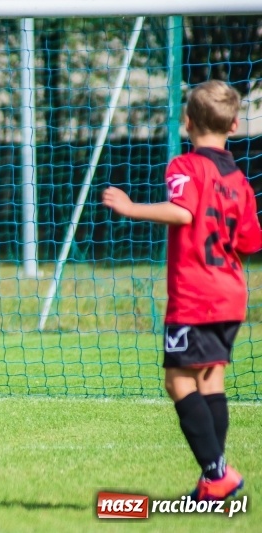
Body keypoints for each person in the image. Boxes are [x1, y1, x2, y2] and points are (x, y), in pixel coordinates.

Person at [103, 80, 261, 501]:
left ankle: (217, 472)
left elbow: (184, 211)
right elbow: (250, 242)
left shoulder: (185, 166)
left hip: (196, 296)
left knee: (178, 382)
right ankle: (213, 480)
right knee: (210, 381)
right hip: (231, 295)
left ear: (186, 122)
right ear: (234, 124)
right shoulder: (240, 180)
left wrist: (130, 207)